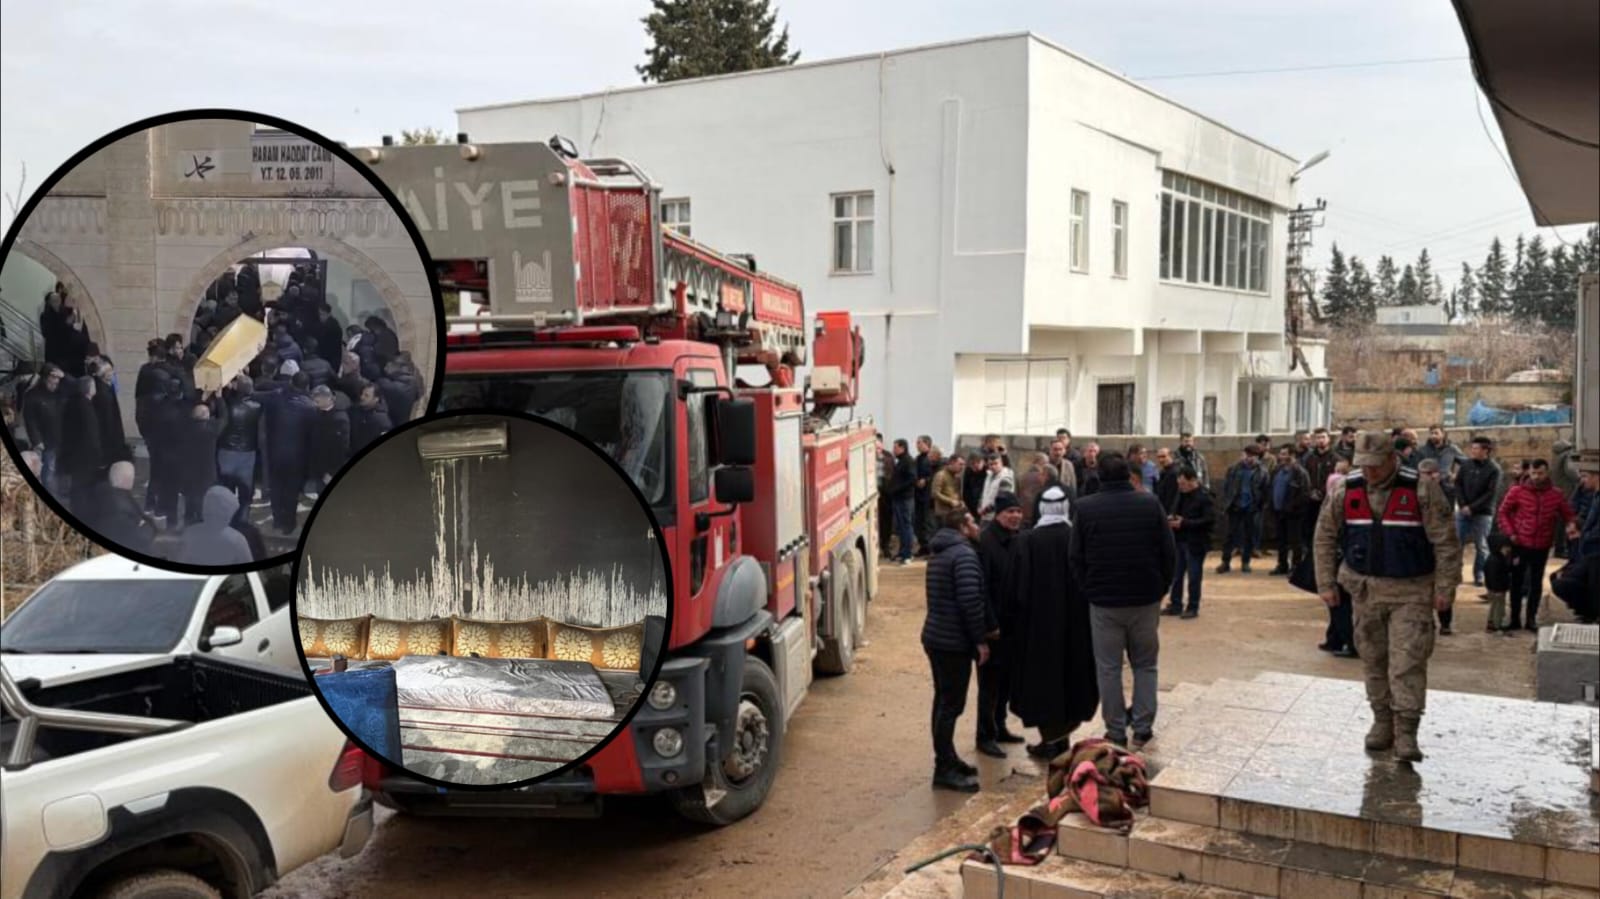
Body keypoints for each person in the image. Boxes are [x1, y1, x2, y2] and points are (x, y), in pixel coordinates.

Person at [1313, 431, 1460, 762]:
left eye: (1376, 466)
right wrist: (1326, 584)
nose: (1370, 473)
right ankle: (1382, 721)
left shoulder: (1422, 488)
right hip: (1365, 591)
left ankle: (1406, 730)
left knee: (1407, 662)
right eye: (1364, 466)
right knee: (1373, 659)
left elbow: (1446, 542)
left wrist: (1445, 588)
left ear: (1393, 459)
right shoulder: (1344, 489)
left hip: (1411, 590)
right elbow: (1324, 537)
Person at [1070, 452, 1175, 750]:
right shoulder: (1149, 504)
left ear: (1099, 477)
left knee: (1108, 668)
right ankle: (1142, 727)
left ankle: (1115, 730)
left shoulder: (1086, 508)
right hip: (1145, 598)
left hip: (1105, 601)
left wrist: (1089, 589)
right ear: (1130, 475)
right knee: (1145, 665)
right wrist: (1161, 587)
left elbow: (1075, 557)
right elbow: (1169, 552)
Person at [1010, 486, 1099, 760]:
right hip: (1075, 625)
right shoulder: (1076, 537)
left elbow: (1019, 590)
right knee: (1072, 678)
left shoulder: (1027, 541)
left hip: (1038, 628)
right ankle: (1060, 738)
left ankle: (1051, 738)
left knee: (1043, 681)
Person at [921, 507, 991, 792]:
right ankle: (944, 769)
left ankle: (947, 758)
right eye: (972, 522)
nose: (976, 526)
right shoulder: (963, 555)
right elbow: (970, 601)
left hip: (936, 638)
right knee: (951, 705)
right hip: (953, 642)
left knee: (942, 702)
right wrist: (980, 640)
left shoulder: (940, 552)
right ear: (963, 527)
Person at [1495, 459, 1579, 632]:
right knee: (1516, 582)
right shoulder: (1517, 491)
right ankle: (1515, 619)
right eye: (1533, 473)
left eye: (1540, 473)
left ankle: (1531, 619)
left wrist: (1572, 526)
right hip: (1520, 543)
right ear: (1529, 472)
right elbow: (1503, 512)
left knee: (1536, 582)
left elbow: (1568, 514)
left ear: (1546, 472)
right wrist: (1511, 533)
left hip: (1542, 545)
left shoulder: (1556, 494)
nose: (1536, 477)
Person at [975, 493, 1025, 757]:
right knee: (989, 685)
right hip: (993, 627)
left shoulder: (1019, 539)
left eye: (1018, 511)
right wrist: (988, 625)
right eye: (1010, 512)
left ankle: (1000, 725)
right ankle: (985, 735)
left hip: (1013, 626)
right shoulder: (986, 541)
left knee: (1005, 681)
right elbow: (980, 588)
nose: (1015, 516)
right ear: (998, 514)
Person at [262, 372, 319, 535]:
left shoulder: (278, 399)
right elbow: (311, 436)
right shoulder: (309, 407)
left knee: (276, 487)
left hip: (276, 452)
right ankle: (288, 523)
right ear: (307, 386)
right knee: (291, 491)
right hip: (297, 456)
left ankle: (278, 520)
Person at [1164, 467, 1215, 619]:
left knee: (1193, 576)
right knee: (1177, 575)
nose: (1181, 486)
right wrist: (1171, 518)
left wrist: (1184, 523)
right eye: (1179, 483)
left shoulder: (1205, 497)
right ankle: (1175, 604)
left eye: (1184, 483)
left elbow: (1209, 521)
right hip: (1179, 540)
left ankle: (1193, 607)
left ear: (1193, 481)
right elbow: (1175, 510)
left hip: (1195, 543)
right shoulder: (1180, 494)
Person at [1454, 436, 1501, 586]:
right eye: (1472, 448)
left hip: (1483, 513)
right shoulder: (1466, 465)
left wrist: (1472, 507)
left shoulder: (1494, 469)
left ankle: (1479, 574)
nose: (1473, 451)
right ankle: (1455, 574)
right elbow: (1458, 485)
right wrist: (1462, 505)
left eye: (1476, 448)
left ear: (1486, 450)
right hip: (1463, 512)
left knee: (1481, 546)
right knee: (1457, 543)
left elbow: (1491, 493)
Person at [1415, 459, 1454, 635]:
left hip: (1442, 539)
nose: (1428, 477)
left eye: (1431, 473)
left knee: (1443, 585)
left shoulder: (1446, 490)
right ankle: (1427, 621)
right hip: (1422, 543)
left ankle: (1445, 623)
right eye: (1424, 474)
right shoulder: (1417, 490)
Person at [58, 376, 105, 517]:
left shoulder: (72, 404)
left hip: (74, 453)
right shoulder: (85, 406)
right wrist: (98, 455)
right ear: (89, 389)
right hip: (85, 455)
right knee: (83, 487)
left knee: (77, 486)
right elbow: (91, 433)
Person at [1217, 446, 1268, 574]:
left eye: (1253, 456)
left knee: (1249, 536)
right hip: (1235, 506)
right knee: (1230, 536)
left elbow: (1265, 490)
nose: (1249, 459)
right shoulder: (1234, 469)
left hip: (1252, 507)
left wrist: (1260, 505)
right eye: (1247, 455)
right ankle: (1225, 561)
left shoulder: (1262, 471)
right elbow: (1227, 487)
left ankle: (1245, 562)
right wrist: (1227, 503)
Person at [216, 375, 262, 517]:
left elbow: (221, 411)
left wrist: (220, 395)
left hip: (227, 450)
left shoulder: (229, 404)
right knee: (245, 489)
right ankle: (243, 519)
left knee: (226, 487)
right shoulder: (257, 407)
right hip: (248, 452)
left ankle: (227, 517)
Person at [174, 485, 254, 565]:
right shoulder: (238, 540)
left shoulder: (190, 533)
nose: (210, 510)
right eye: (208, 506)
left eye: (214, 508)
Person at [88, 461, 155, 556]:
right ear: (126, 480)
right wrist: (145, 526)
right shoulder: (122, 507)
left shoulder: (101, 495)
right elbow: (141, 537)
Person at [176, 399, 225, 526]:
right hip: (206, 472)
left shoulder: (183, 428)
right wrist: (219, 399)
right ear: (206, 416)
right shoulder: (212, 428)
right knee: (204, 502)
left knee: (190, 501)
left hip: (188, 472)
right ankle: (201, 524)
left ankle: (189, 523)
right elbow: (225, 417)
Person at [21, 364, 65, 493]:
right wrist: (37, 440)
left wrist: (65, 376)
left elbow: (74, 387)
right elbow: (30, 420)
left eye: (58, 378)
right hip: (43, 442)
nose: (56, 381)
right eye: (53, 377)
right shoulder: (33, 395)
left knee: (54, 473)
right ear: (45, 377)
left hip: (58, 439)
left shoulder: (59, 393)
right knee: (46, 474)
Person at [1269, 445, 1311, 576]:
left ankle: (1296, 566)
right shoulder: (1277, 470)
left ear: (1292, 455)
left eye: (1284, 454)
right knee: (1281, 541)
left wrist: (1292, 506)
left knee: (1295, 541)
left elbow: (1304, 493)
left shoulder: (1300, 473)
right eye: (1281, 454)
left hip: (1294, 513)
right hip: (1278, 511)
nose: (1281, 457)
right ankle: (1282, 565)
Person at [309, 385, 352, 495]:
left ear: (328, 398)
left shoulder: (339, 419)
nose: (314, 400)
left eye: (317, 398)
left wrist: (332, 472)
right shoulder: (317, 413)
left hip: (331, 470)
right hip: (319, 467)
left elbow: (342, 448)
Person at [1302, 428, 1339, 545]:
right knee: (1309, 529)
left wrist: (1322, 492)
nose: (1321, 440)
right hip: (1310, 500)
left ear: (1329, 439)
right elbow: (1305, 476)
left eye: (1323, 437)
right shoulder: (1309, 458)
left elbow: (1336, 478)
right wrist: (1311, 491)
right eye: (1318, 437)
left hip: (1328, 500)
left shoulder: (1335, 458)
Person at [1481, 533, 1516, 634]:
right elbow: (1493, 577)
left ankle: (1492, 624)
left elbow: (1504, 570)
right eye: (1506, 548)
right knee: (1498, 609)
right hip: (1497, 590)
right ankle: (1497, 626)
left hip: (1497, 589)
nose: (1508, 550)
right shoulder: (1495, 561)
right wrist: (1497, 589)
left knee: (1494, 607)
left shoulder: (1498, 558)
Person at [349, 381, 394, 455]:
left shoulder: (382, 421)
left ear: (376, 399)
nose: (362, 397)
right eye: (362, 394)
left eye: (366, 395)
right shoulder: (354, 410)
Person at [978, 452, 1016, 522]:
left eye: (996, 463)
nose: (993, 466)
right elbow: (984, 493)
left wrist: (985, 510)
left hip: (997, 517)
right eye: (991, 464)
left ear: (1001, 463)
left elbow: (1001, 499)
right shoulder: (989, 475)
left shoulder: (1006, 478)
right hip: (985, 516)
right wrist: (980, 506)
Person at [913, 436, 935, 557]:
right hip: (917, 495)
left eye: (919, 443)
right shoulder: (918, 458)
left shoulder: (931, 458)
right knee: (918, 522)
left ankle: (929, 547)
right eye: (917, 443)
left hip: (927, 497)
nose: (917, 445)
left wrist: (925, 480)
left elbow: (933, 475)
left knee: (927, 523)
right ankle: (923, 547)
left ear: (927, 444)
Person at [962, 452, 987, 519]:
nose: (976, 465)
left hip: (984, 506)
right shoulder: (968, 471)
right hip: (971, 505)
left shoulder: (988, 471)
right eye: (973, 463)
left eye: (978, 462)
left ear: (983, 462)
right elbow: (965, 489)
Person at [1154, 447, 1179, 512]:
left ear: (1170, 456)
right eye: (1158, 457)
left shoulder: (1174, 472)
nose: (1161, 460)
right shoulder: (1164, 471)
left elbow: (1171, 498)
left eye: (1163, 456)